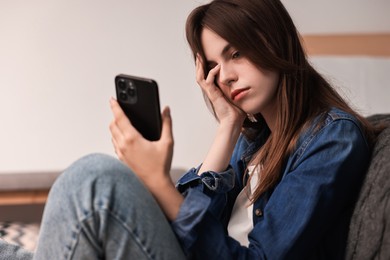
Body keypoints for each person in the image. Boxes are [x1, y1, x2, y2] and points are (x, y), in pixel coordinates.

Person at [2, 0, 380, 259]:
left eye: (236, 53)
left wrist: (159, 183)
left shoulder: (333, 139)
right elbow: (191, 224)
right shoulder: (253, 140)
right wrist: (227, 127)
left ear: (274, 41)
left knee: (95, 180)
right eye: (215, 64)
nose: (227, 76)